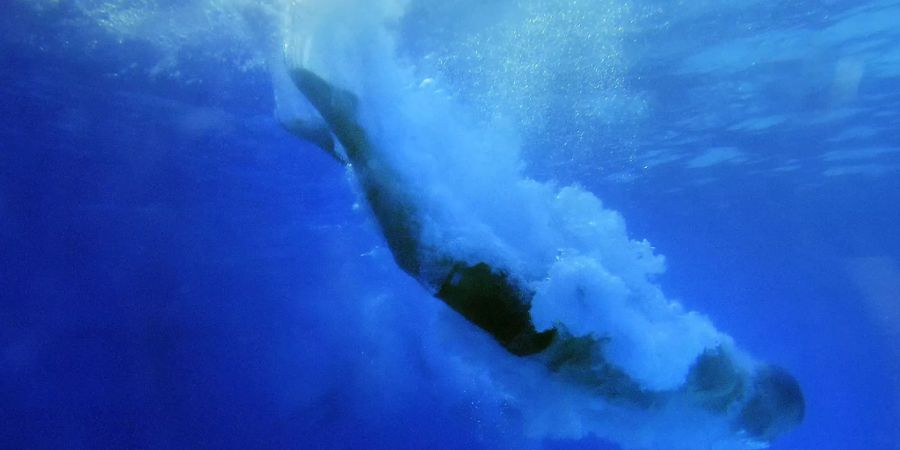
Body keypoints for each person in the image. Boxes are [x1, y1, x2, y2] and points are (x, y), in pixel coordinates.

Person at [282, 66, 804, 443]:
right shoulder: (727, 384)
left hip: (542, 334)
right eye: (775, 428)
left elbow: (636, 372)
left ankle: (344, 141)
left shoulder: (715, 403)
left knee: (428, 242)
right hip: (543, 327)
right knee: (423, 253)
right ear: (769, 398)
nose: (765, 438)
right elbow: (673, 350)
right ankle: (348, 124)